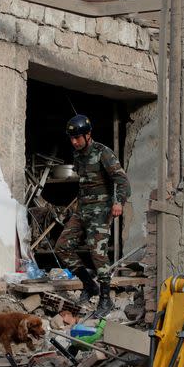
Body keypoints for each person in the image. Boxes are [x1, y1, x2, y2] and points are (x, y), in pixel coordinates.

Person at [55, 114, 131, 317]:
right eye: (71, 138)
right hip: (82, 210)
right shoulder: (78, 155)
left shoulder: (103, 152)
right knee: (62, 247)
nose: (74, 141)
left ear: (88, 135)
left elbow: (121, 180)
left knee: (97, 253)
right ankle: (90, 285)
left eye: (78, 137)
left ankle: (105, 300)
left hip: (102, 210)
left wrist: (118, 202)